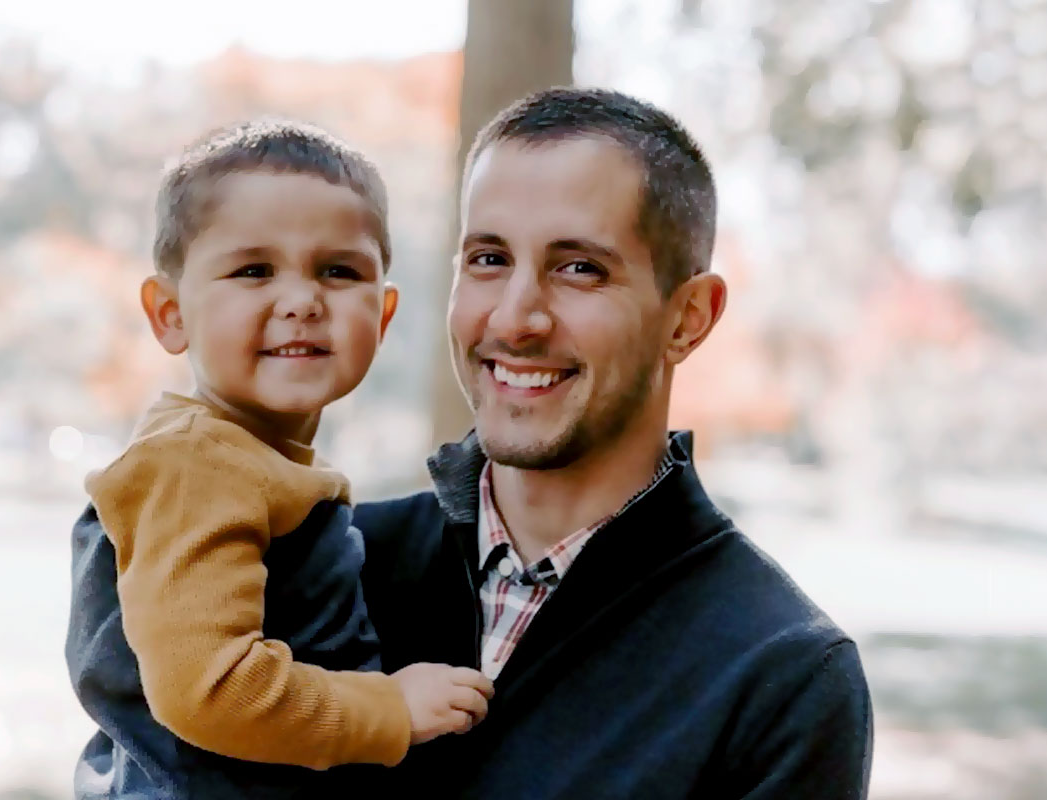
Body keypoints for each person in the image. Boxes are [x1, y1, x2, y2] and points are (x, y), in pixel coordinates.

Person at [352, 87, 873, 798]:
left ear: (688, 318)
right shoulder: (336, 568)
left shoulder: (779, 676)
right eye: (488, 258)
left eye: (579, 268)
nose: (515, 317)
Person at [66, 120, 492, 799]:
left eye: (338, 271)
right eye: (253, 270)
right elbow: (207, 686)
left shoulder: (256, 462)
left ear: (381, 318)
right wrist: (389, 709)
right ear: (170, 313)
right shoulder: (193, 464)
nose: (300, 302)